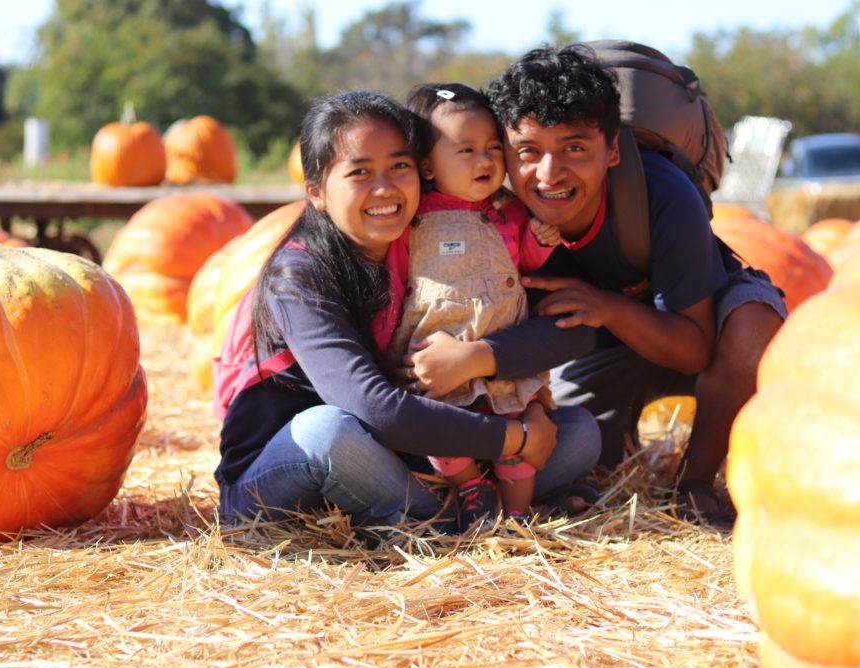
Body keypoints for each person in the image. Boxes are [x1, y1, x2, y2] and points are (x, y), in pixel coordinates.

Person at [402, 45, 787, 528]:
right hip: (595, 345)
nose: (549, 173)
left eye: (575, 148)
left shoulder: (662, 193)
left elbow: (694, 349)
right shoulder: (488, 219)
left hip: (695, 330)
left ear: (612, 150)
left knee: (754, 325)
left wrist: (610, 308)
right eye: (527, 151)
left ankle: (693, 481)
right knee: (584, 455)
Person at [215, 89, 601, 537]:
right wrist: (515, 440)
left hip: (410, 457)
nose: (385, 188)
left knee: (578, 431)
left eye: (399, 167)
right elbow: (376, 410)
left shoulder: (434, 241)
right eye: (360, 173)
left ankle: (440, 510)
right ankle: (454, 522)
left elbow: (573, 333)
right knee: (327, 431)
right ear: (317, 192)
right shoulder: (300, 274)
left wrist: (487, 367)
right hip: (286, 468)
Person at [384, 82, 567, 529]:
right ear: (427, 165)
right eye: (465, 150)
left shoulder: (510, 211)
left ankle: (519, 516)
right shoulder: (413, 215)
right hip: (436, 357)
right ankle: (470, 487)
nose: (485, 160)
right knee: (441, 433)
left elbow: (523, 264)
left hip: (500, 354)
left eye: (492, 148)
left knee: (523, 443)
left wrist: (542, 242)